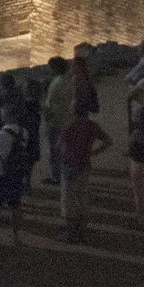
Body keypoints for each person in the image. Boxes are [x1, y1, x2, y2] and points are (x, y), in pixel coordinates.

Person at [59, 99, 110, 243]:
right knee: (83, 198)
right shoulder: (92, 126)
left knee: (68, 201)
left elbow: (61, 148)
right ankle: (82, 232)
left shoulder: (68, 126)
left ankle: (71, 234)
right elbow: (108, 141)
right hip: (85, 165)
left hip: (70, 166)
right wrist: (93, 153)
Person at [0, 105, 29, 246]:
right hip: (16, 174)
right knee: (15, 206)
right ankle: (17, 237)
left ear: (6, 117)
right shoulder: (23, 132)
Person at [43, 57, 72, 185]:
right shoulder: (69, 80)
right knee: (66, 148)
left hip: (56, 120)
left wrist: (47, 119)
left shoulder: (55, 84)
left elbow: (49, 106)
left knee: (54, 150)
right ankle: (67, 172)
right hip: (68, 118)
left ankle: (56, 176)